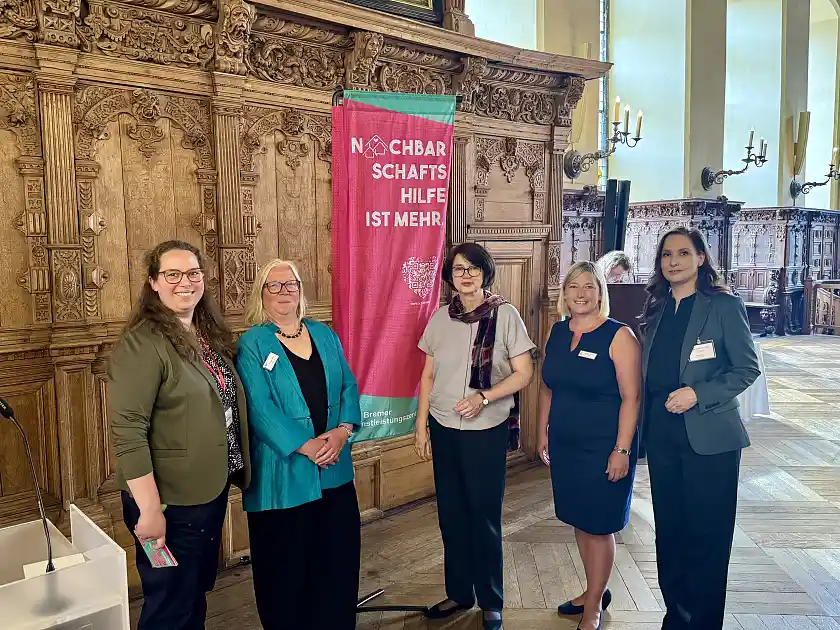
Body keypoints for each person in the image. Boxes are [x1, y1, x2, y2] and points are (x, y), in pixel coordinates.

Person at [108, 240, 250, 630]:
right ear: (153, 282)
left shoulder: (203, 335)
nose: (184, 282)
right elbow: (129, 432)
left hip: (207, 490)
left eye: (193, 273)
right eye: (172, 274)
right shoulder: (142, 343)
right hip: (169, 502)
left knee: (192, 594)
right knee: (169, 604)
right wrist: (151, 511)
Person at [640, 227, 760, 630]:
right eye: (666, 255)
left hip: (710, 438)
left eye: (683, 254)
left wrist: (698, 393)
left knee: (707, 536)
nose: (673, 261)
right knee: (670, 533)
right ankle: (676, 616)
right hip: (662, 435)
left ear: (701, 259)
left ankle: (705, 623)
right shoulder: (655, 310)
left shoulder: (722, 306)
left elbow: (746, 368)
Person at [413, 243, 535, 630]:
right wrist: (420, 426)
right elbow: (428, 376)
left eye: (473, 269)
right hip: (443, 428)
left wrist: (484, 396)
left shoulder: (505, 315)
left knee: (483, 517)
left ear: (486, 273)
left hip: (486, 431)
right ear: (449, 276)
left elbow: (523, 374)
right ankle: (459, 592)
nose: (465, 275)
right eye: (458, 269)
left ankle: (490, 599)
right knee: (451, 514)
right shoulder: (439, 318)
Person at [235, 259, 362, 630]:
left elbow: (348, 386)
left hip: (335, 469)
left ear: (301, 290)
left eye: (290, 284)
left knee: (337, 563)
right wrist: (307, 447)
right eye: (273, 286)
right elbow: (258, 409)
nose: (283, 291)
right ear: (262, 294)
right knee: (285, 571)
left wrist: (342, 431)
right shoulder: (252, 343)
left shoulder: (325, 334)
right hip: (282, 477)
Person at [537, 261, 641, 630]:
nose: (581, 294)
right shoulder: (558, 331)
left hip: (604, 446)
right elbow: (549, 385)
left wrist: (622, 450)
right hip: (565, 441)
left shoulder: (619, 336)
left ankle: (594, 605)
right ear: (564, 293)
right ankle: (592, 589)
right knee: (581, 521)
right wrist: (543, 431)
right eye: (574, 286)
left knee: (599, 525)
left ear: (601, 293)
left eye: (589, 286)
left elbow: (632, 398)